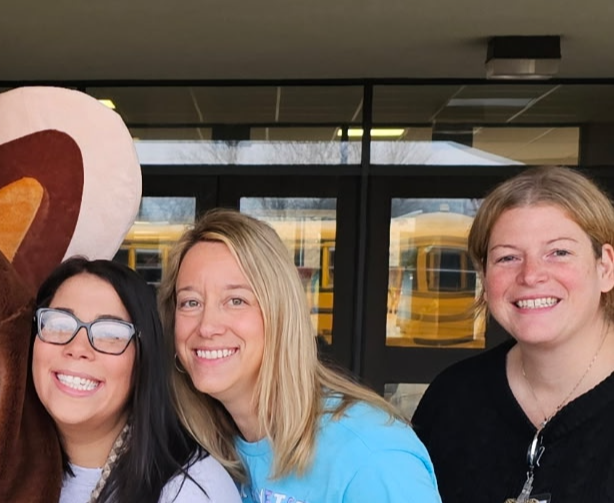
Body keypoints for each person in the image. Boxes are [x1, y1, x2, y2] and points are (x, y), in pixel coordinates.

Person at [159, 209, 439, 502]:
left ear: (282, 313)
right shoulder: (200, 451)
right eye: (190, 302)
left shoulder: (371, 455)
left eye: (236, 300)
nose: (207, 326)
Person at [413, 166, 614, 502]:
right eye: (507, 257)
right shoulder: (452, 398)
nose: (531, 275)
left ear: (605, 267)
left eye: (559, 252)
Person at [33, 257, 238, 503]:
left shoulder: (190, 491)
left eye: (110, 333)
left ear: (144, 359)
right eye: (59, 324)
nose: (78, 347)